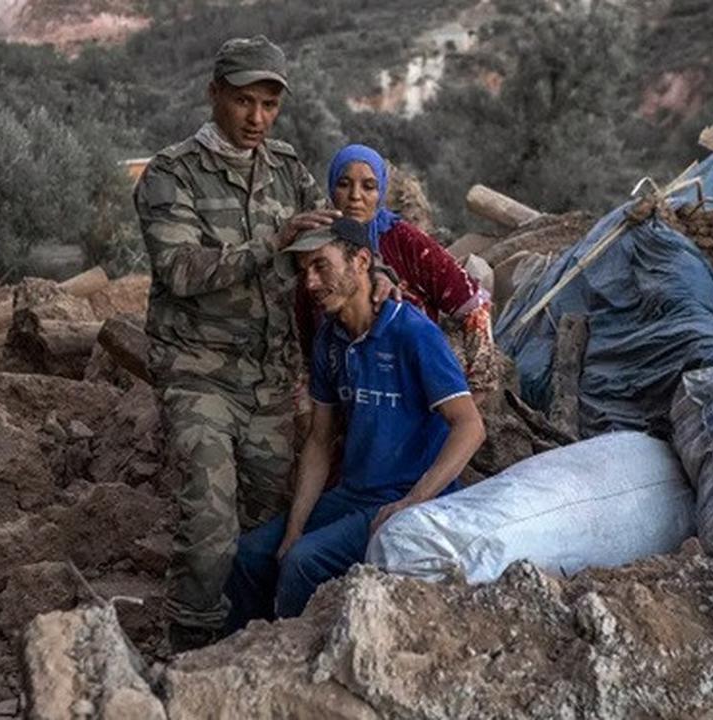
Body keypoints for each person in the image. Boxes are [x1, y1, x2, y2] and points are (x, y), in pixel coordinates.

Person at [134, 35, 342, 652]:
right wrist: (271, 244)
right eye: (244, 102)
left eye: (269, 106)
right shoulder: (172, 174)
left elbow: (324, 244)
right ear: (214, 95)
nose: (256, 119)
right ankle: (189, 647)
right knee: (209, 516)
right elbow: (181, 271)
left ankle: (247, 638)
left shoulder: (287, 168)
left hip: (271, 377)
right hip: (198, 371)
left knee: (267, 520)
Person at [226, 218, 486, 628]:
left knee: (301, 562)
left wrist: (413, 502)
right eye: (304, 271)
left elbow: (470, 426)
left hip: (402, 497)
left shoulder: (412, 332)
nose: (310, 283)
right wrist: (294, 526)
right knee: (251, 554)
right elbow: (319, 441)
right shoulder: (331, 339)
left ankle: (288, 661)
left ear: (361, 261)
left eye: (321, 266)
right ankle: (234, 658)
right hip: (352, 494)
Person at [298, 144, 500, 404]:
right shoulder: (318, 243)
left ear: (380, 191)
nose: (355, 196)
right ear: (331, 188)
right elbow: (305, 324)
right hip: (344, 387)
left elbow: (472, 303)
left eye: (368, 187)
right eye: (344, 184)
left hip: (409, 384)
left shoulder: (403, 240)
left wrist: (477, 389)